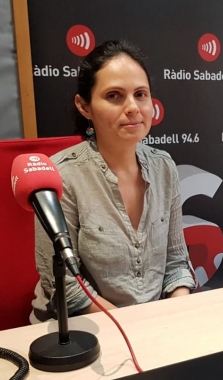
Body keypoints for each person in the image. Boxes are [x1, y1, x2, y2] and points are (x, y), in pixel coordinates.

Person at [31, 40, 195, 323]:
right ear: (85, 107)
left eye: (141, 94)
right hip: (83, 330)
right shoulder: (60, 176)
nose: (133, 107)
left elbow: (177, 263)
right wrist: (133, 329)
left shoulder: (164, 166)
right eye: (114, 96)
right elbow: (66, 287)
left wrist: (175, 315)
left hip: (155, 326)